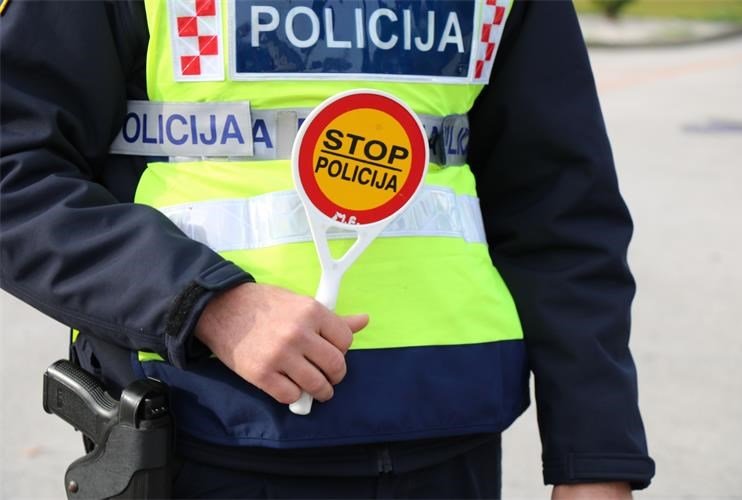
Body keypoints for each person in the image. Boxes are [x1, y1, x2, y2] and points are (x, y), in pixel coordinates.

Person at [0, 0, 655, 497]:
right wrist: (206, 304)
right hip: (200, 435)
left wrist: (595, 460)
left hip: (448, 438)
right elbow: (14, 169)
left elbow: (561, 211)